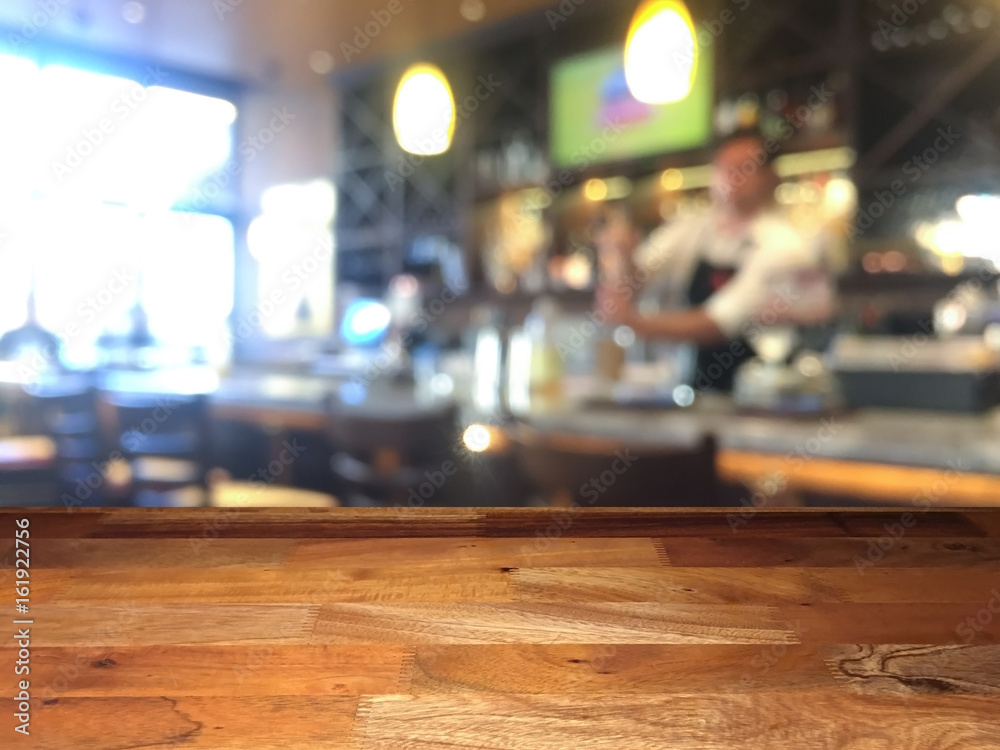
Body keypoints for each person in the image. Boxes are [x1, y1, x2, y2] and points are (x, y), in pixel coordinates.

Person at [595, 127, 838, 392]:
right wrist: (621, 255)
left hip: (761, 393)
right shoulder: (691, 229)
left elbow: (719, 323)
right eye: (724, 168)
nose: (731, 178)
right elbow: (636, 279)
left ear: (770, 177)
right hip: (693, 387)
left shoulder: (786, 245)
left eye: (743, 168)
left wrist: (632, 322)